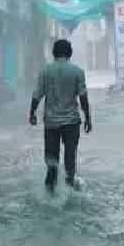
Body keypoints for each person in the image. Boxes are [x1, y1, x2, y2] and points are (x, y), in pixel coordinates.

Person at [29, 39, 91, 192]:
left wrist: (32, 112)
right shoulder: (77, 71)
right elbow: (83, 97)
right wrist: (88, 117)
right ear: (69, 53)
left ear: (54, 53)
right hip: (72, 122)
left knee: (51, 163)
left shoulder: (45, 71)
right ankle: (69, 193)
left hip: (51, 123)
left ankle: (49, 195)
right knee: (70, 160)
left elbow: (37, 94)